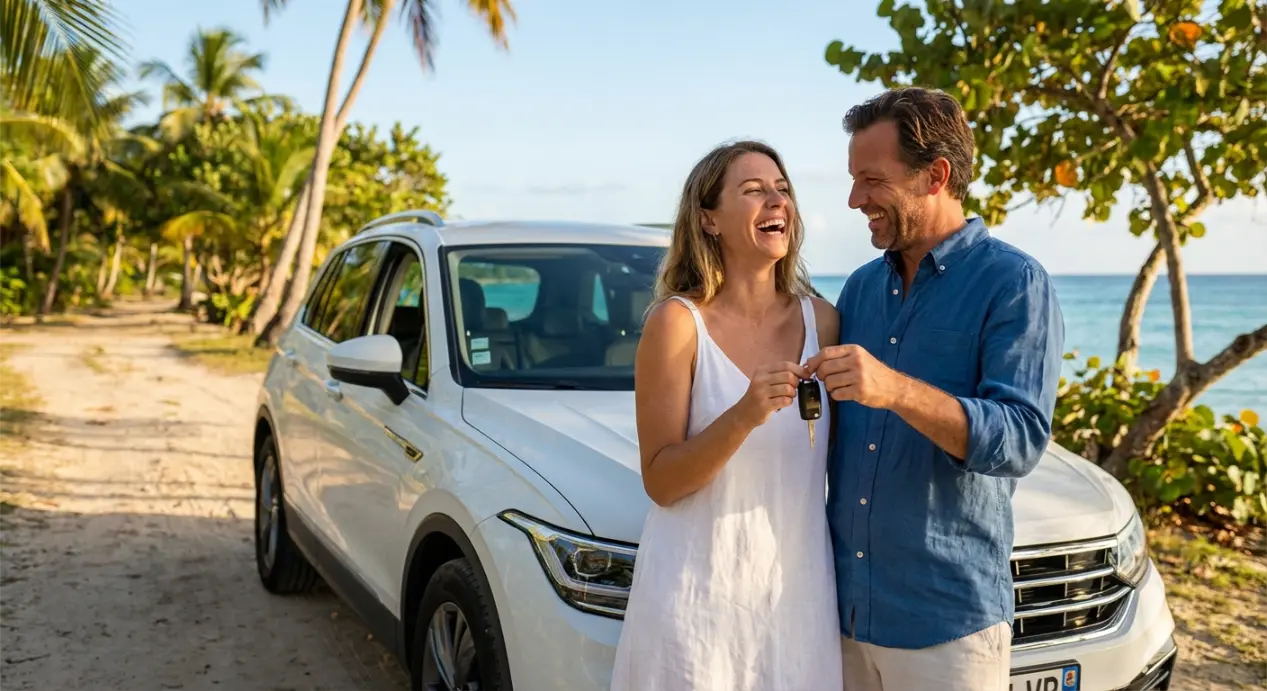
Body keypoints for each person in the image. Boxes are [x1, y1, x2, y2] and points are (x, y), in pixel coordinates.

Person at [804, 86, 1066, 690]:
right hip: (842, 613)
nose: (854, 200)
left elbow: (1021, 439)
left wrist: (895, 390)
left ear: (936, 175)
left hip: (947, 626)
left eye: (872, 180)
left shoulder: (1015, 283)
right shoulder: (861, 288)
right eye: (853, 181)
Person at [609, 140, 844, 691]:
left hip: (798, 605)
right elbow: (662, 481)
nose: (777, 201)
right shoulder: (676, 324)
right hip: (696, 606)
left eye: (782, 189)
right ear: (708, 219)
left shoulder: (825, 322)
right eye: (754, 190)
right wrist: (744, 414)